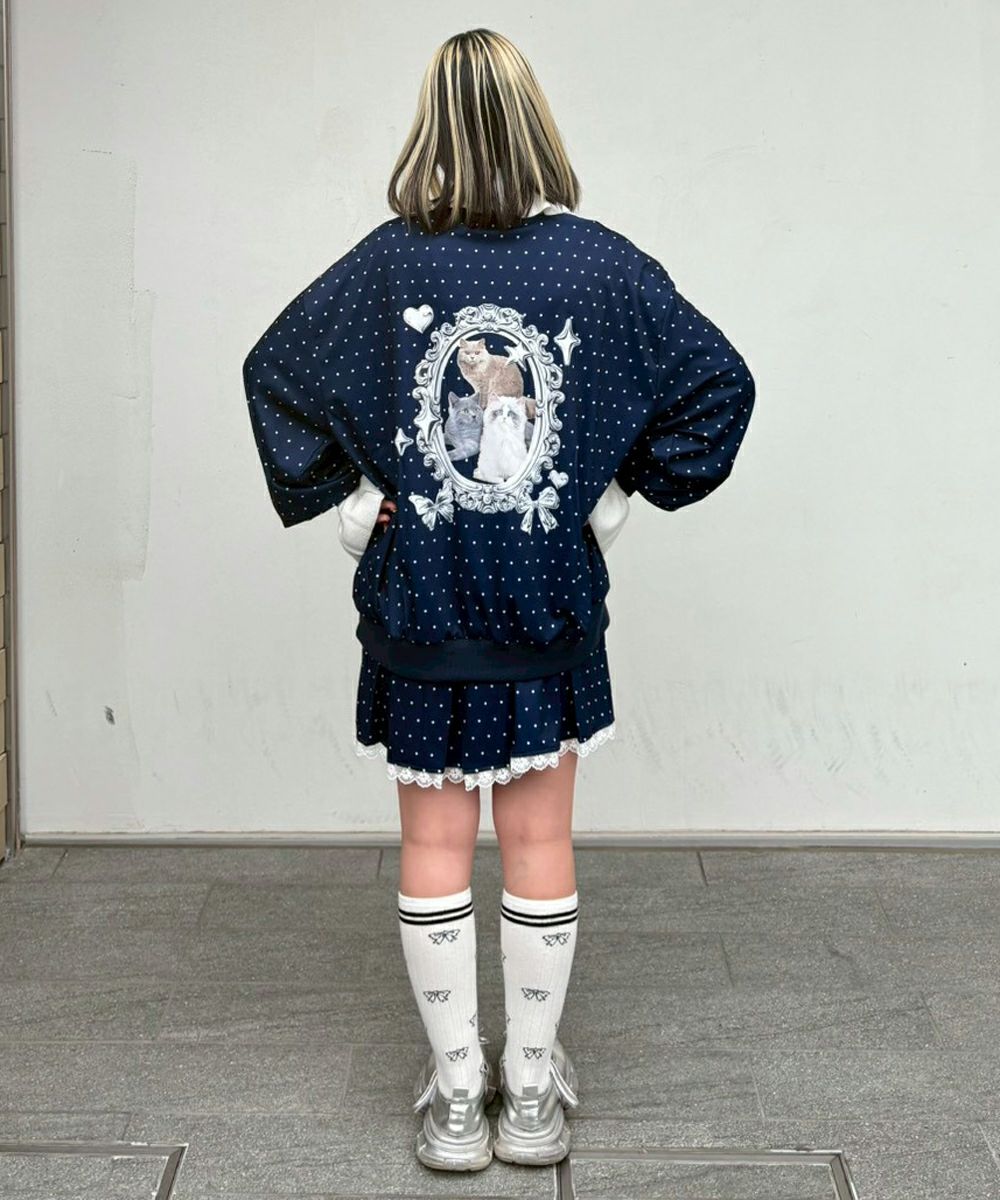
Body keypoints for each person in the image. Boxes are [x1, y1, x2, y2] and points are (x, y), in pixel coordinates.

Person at [242, 27, 755, 1173]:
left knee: (432, 843)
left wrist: (357, 495)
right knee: (538, 837)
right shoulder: (600, 268)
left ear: (431, 127)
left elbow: (276, 371)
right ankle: (528, 1092)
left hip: (422, 611)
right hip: (544, 607)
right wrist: (610, 491)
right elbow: (717, 386)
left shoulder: (387, 266)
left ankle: (455, 1099)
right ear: (534, 126)